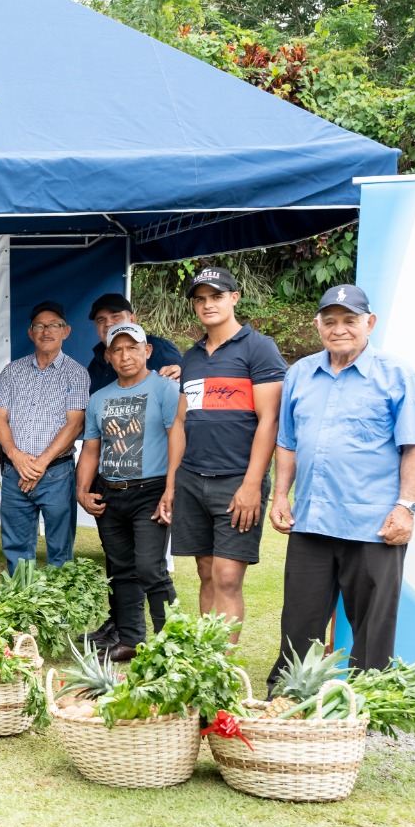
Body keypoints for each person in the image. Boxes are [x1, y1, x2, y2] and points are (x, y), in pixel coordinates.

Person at [265, 285, 415, 691]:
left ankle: (365, 704)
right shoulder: (300, 373)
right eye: (331, 321)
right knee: (299, 621)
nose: (339, 329)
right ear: (318, 325)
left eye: (350, 320)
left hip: (373, 523)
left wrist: (406, 507)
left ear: (369, 324)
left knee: (373, 625)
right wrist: (281, 495)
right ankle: (289, 697)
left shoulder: (397, 375)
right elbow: (287, 442)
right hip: (312, 520)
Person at [162, 265, 287, 643]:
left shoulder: (259, 348)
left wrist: (252, 485)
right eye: (199, 299)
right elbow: (182, 423)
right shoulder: (192, 356)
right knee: (204, 572)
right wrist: (171, 485)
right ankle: (206, 660)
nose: (207, 305)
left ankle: (223, 669)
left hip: (236, 481)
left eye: (216, 296)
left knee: (228, 576)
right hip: (192, 479)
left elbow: (270, 422)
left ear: (234, 298)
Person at [76, 323, 181, 662]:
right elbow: (91, 450)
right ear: (108, 356)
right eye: (117, 350)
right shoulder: (99, 399)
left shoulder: (165, 389)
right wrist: (82, 490)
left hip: (151, 490)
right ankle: (133, 641)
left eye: (132, 347)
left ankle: (172, 641)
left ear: (147, 350)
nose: (125, 355)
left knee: (150, 568)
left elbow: (176, 437)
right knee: (120, 569)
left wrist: (172, 488)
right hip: (110, 492)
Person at [0, 302, 89, 570]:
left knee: (60, 550)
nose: (47, 331)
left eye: (54, 325)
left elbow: (75, 424)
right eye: (40, 326)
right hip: (14, 473)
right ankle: (21, 605)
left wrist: (39, 464)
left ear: (66, 331)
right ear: (30, 332)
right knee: (16, 549)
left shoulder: (77, 373)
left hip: (56, 473)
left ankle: (60, 611)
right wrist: (16, 457)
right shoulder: (12, 371)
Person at [84, 294, 182, 394]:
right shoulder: (94, 365)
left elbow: (184, 379)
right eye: (101, 320)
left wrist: (183, 373)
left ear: (132, 320)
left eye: (116, 316)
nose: (108, 323)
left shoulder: (159, 348)